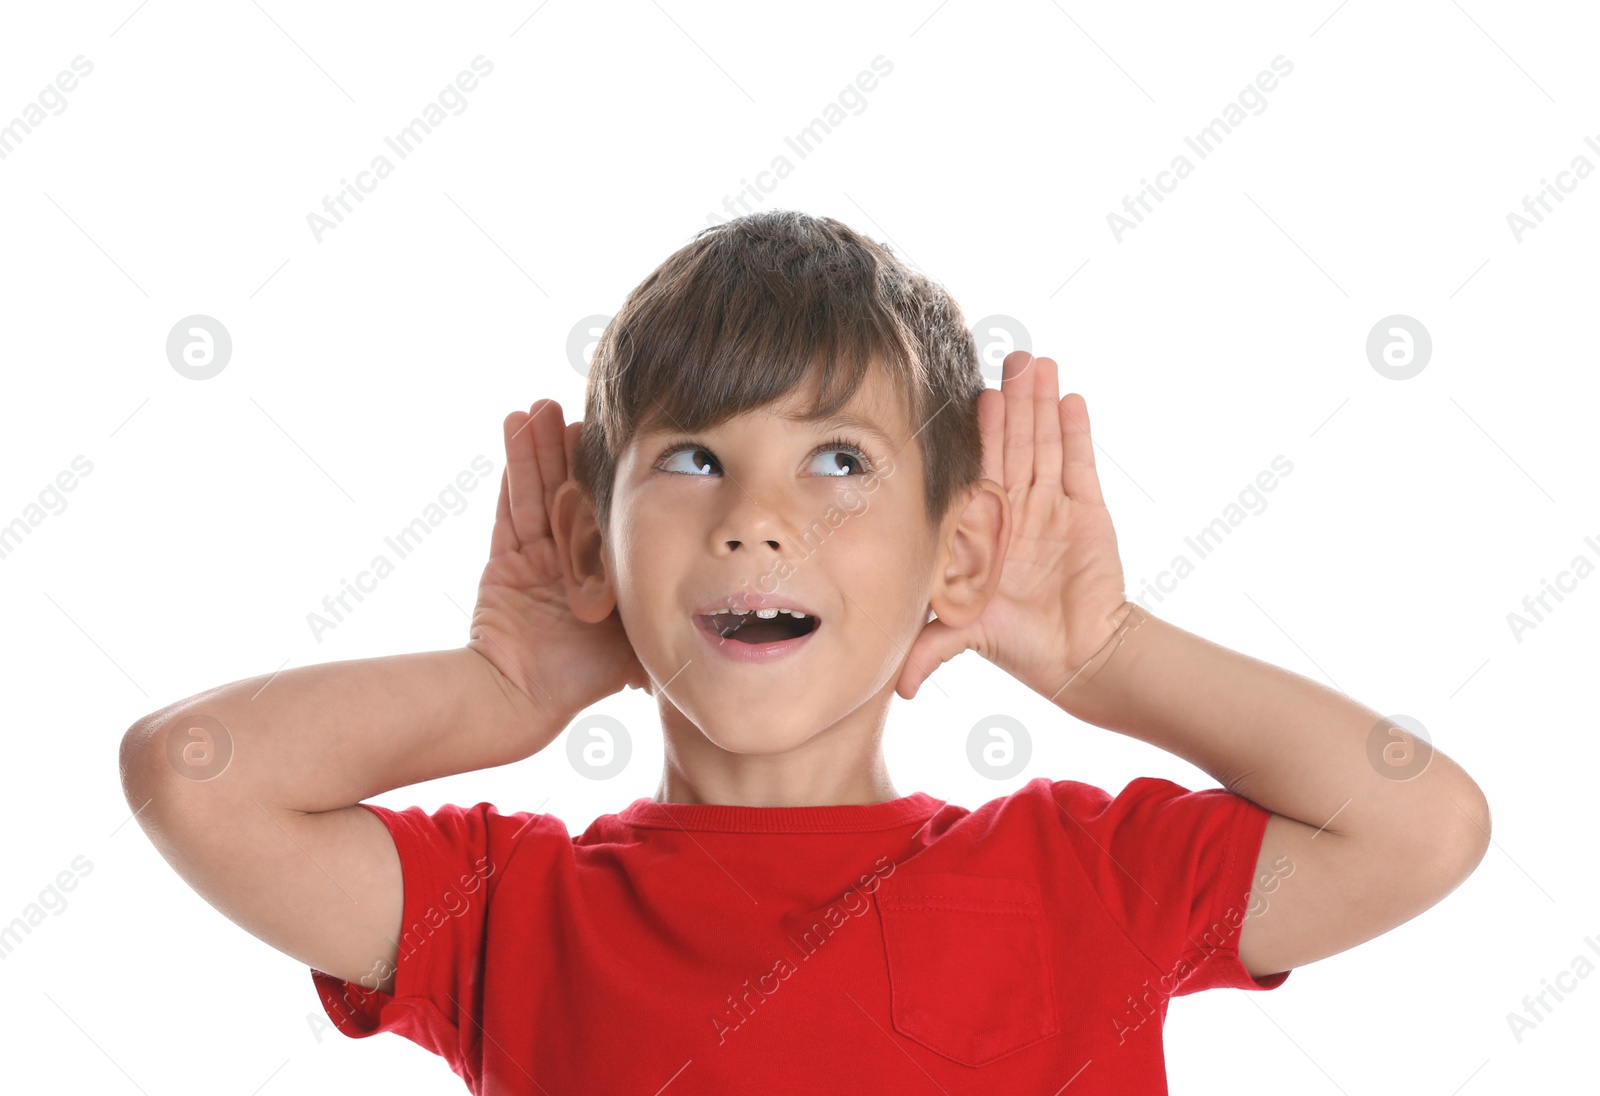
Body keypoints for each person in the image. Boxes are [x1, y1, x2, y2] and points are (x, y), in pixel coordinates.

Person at [119, 210, 1491, 1094]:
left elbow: (1421, 826)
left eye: (838, 461)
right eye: (695, 461)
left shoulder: (1087, 880)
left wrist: (1104, 655)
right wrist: (504, 688)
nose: (756, 521)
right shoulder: (507, 918)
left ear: (954, 554)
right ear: (592, 548)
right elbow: (195, 775)